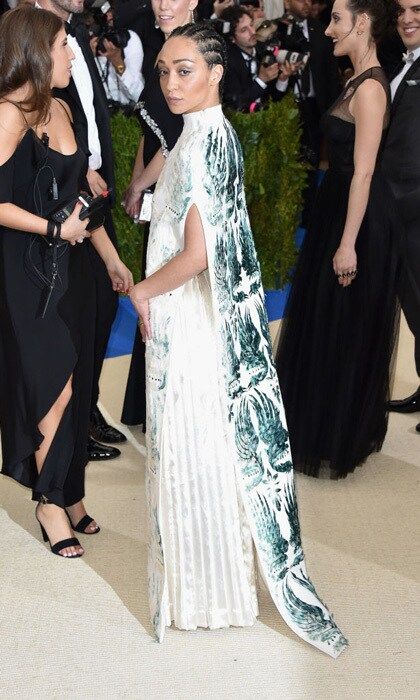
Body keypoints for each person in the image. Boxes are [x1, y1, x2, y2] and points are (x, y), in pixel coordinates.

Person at [130, 21, 348, 657]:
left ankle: (208, 594)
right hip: (184, 315)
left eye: (185, 71)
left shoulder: (209, 141)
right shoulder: (197, 135)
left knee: (195, 445)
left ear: (217, 72)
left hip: (193, 319)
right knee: (191, 446)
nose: (171, 83)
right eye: (165, 71)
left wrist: (144, 291)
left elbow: (199, 255)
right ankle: (206, 590)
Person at [0, 5, 132, 557]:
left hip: (66, 268)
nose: (71, 52)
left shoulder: (61, 107)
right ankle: (50, 503)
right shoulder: (10, 113)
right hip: (21, 272)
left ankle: (62, 492)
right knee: (57, 383)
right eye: (61, 46)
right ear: (33, 51)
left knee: (72, 380)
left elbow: (81, 196)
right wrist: (54, 228)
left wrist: (110, 257)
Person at [275, 0, 400, 478]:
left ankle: (335, 435)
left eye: (337, 20)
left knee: (341, 325)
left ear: (362, 23)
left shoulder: (370, 90)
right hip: (338, 210)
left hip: (359, 222)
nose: (328, 30)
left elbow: (364, 172)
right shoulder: (354, 79)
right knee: (324, 321)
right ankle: (318, 426)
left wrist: (347, 243)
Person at [37, 0, 127, 461]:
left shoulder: (76, 34)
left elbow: (93, 115)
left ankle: (85, 411)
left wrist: (99, 169)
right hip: (58, 201)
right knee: (72, 316)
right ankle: (68, 426)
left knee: (101, 305)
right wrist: (76, 171)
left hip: (91, 191)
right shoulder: (28, 35)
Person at [120, 0, 198, 427]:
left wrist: (140, 184)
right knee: (158, 284)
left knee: (173, 290)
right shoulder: (164, 49)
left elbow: (178, 141)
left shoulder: (200, 50)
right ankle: (150, 404)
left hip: (180, 191)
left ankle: (175, 410)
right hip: (157, 186)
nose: (163, 4)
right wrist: (137, 183)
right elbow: (150, 132)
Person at [383, 0, 420, 433]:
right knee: (414, 301)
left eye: (417, 9)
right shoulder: (404, 65)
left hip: (413, 205)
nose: (407, 19)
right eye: (400, 12)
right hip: (401, 207)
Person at [274, 0, 341, 222]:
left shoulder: (322, 30)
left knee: (311, 162)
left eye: (309, 0)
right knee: (286, 162)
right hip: (286, 106)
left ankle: (309, 214)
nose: (307, 4)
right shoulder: (276, 30)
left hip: (315, 107)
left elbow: (331, 72)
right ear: (286, 2)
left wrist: (333, 110)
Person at [221, 5, 299, 110]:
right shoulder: (228, 63)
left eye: (252, 25)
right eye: (244, 30)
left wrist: (282, 79)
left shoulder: (263, 50)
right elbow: (236, 104)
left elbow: (274, 99)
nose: (253, 32)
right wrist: (261, 80)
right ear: (232, 38)